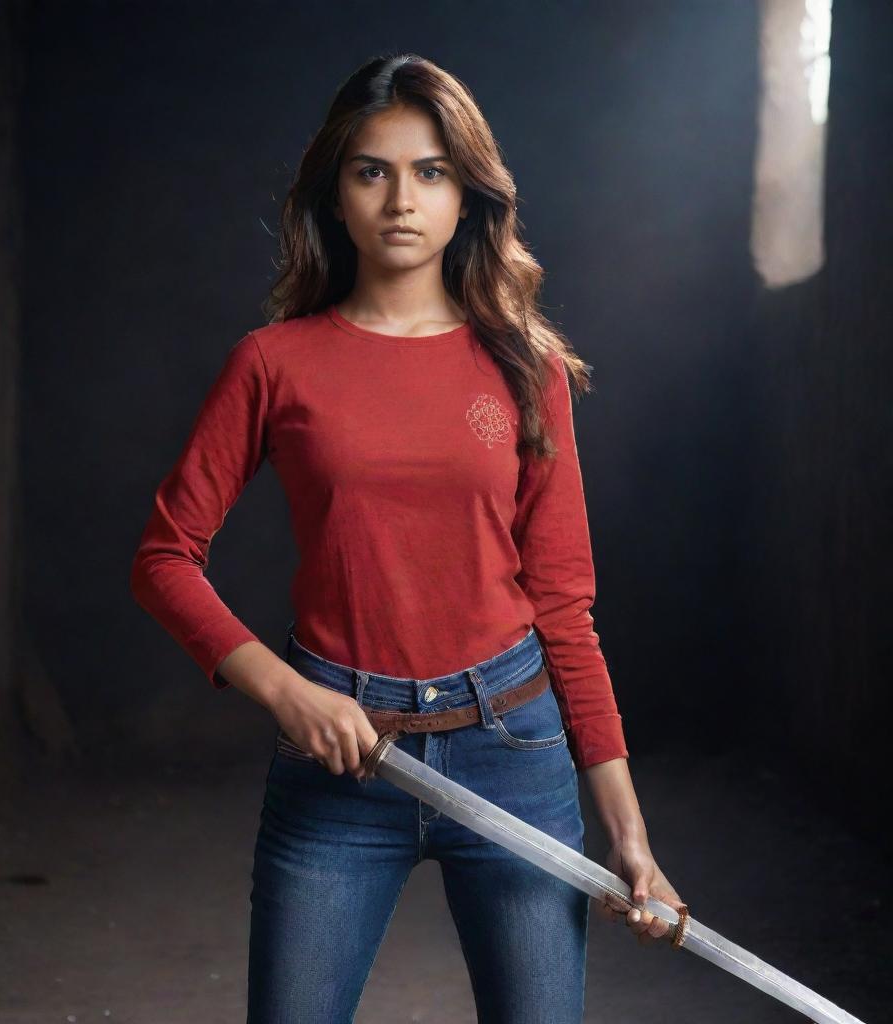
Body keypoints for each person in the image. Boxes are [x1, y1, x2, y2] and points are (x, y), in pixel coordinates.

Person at [130, 52, 685, 1024]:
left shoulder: (524, 368)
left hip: (513, 750)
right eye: (371, 169)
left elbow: (562, 605)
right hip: (339, 758)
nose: (401, 198)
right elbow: (163, 557)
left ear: (468, 197)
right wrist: (284, 688)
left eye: (430, 171)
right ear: (332, 195)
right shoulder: (274, 364)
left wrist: (628, 836)